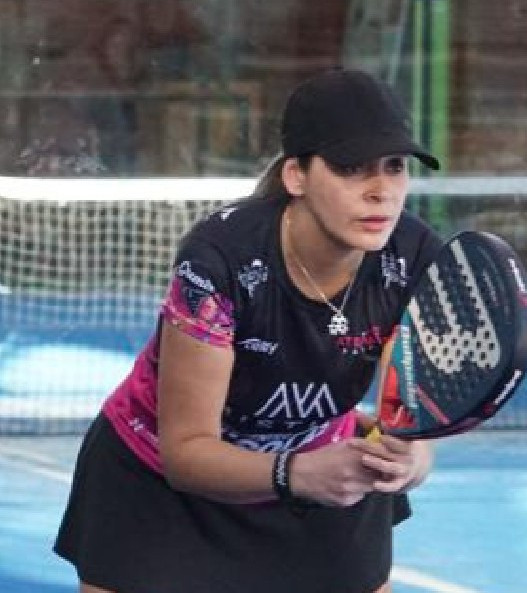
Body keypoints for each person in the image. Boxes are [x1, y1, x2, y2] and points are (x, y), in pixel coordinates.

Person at [54, 68, 442, 593]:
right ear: (296, 176)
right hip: (158, 483)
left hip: (322, 466)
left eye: (394, 167)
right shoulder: (218, 261)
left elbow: (409, 415)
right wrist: (297, 473)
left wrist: (414, 456)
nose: (381, 192)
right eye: (352, 168)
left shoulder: (415, 257)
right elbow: (187, 452)